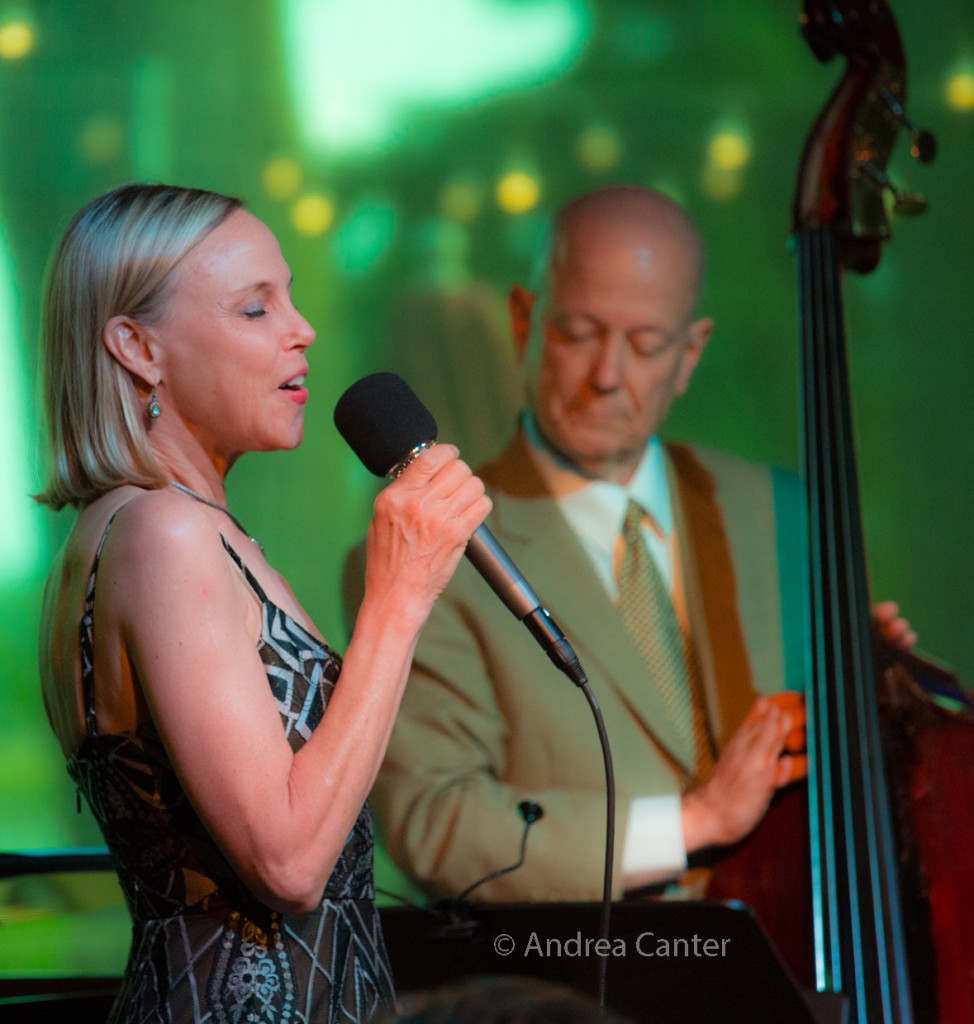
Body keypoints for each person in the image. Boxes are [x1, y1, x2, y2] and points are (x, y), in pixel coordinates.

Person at [344, 184, 915, 903]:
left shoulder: (784, 510)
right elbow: (439, 824)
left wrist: (879, 690)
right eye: (579, 333)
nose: (607, 376)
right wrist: (693, 822)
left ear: (690, 353)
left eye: (646, 345)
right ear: (524, 321)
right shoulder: (423, 550)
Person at [35, 183, 491, 1023]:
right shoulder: (162, 535)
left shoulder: (181, 529)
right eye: (255, 308)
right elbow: (288, 863)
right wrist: (397, 596)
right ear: (138, 346)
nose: (302, 329)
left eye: (289, 296)